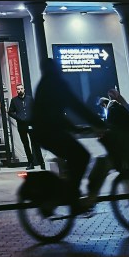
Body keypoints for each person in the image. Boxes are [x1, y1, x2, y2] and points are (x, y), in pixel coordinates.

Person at [31, 57, 103, 208]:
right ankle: (71, 196)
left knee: (74, 157)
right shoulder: (55, 84)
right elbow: (75, 105)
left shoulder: (44, 84)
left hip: (45, 132)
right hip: (50, 133)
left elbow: (55, 113)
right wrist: (97, 122)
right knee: (82, 156)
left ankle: (69, 191)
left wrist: (75, 128)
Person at [7, 83, 44, 170]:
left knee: (35, 144)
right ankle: (30, 162)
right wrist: (18, 117)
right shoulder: (14, 100)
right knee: (26, 144)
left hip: (31, 124)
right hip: (21, 125)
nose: (20, 90)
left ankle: (41, 162)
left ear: (24, 89)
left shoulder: (30, 99)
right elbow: (10, 112)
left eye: (21, 89)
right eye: (18, 89)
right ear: (16, 91)